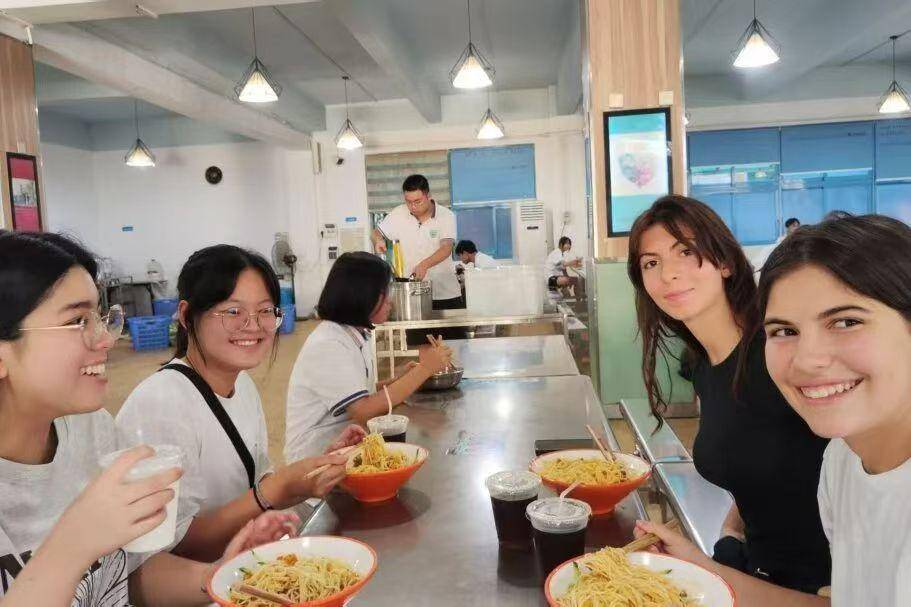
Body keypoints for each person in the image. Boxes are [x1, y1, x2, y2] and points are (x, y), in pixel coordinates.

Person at [0, 231, 295, 607]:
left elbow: (133, 574)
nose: (107, 339)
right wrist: (72, 544)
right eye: (77, 321)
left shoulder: (93, 429)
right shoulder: (161, 401)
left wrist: (220, 577)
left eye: (100, 317)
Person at [637, 214, 911, 606]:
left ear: (725, 262)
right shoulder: (842, 463)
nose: (808, 359)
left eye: (846, 322)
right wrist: (708, 562)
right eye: (784, 331)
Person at [627, 195, 831, 593]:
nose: (668, 274)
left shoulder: (778, 355)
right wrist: (732, 529)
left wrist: (709, 566)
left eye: (685, 252)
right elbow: (765, 461)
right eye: (651, 263)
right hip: (758, 573)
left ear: (725, 262)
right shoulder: (703, 366)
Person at [116, 245, 364, 563]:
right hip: (203, 581)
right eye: (233, 312)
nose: (253, 325)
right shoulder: (160, 404)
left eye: (265, 311)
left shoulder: (242, 384)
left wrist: (318, 469)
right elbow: (169, 551)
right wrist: (275, 489)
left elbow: (256, 485)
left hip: (243, 565)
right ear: (187, 315)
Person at [284, 252, 452, 460]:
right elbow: (364, 410)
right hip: (314, 459)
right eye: (384, 293)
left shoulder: (354, 333)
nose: (390, 301)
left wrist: (401, 379)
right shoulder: (329, 344)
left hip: (344, 446)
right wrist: (425, 369)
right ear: (362, 294)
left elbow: (361, 394)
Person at [371, 174, 462, 309]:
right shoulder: (398, 213)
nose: (413, 206)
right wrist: (378, 240)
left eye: (418, 201)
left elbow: (446, 248)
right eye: (408, 202)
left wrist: (424, 265)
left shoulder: (446, 216)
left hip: (444, 294)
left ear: (428, 196)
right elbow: (376, 233)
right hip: (411, 295)